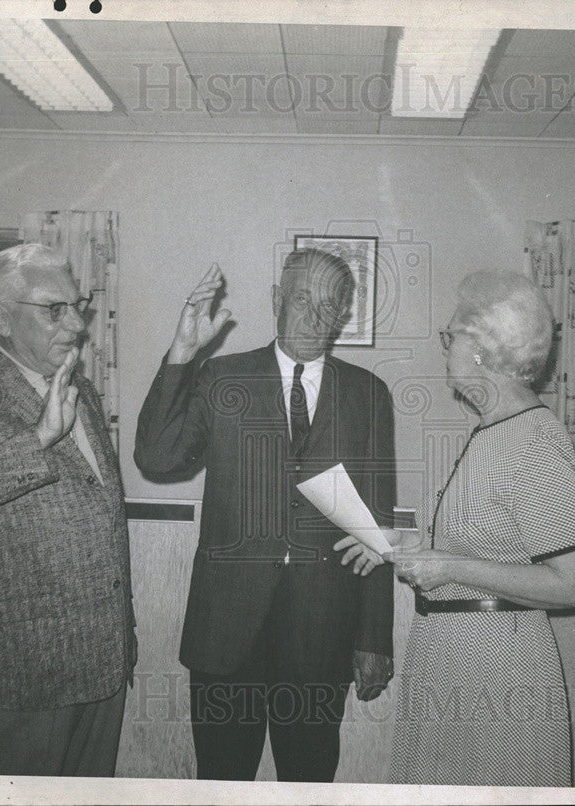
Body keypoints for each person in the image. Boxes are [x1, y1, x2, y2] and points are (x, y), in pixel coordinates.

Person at [134, 250, 396, 783]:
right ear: (277, 300)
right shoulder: (222, 377)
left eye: (330, 305)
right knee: (222, 782)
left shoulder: (368, 394)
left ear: (344, 315)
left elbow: (376, 523)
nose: (315, 316)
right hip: (225, 632)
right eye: (302, 298)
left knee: (309, 781)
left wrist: (373, 636)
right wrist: (183, 351)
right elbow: (157, 458)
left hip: (321, 632)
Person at [344, 270, 575, 786]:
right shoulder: (491, 431)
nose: (446, 347)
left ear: (481, 348)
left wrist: (450, 566)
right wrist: (399, 545)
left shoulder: (537, 442)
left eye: (451, 335)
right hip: (452, 654)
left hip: (498, 666)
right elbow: (485, 543)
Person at [0, 243, 136, 776]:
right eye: (54, 309)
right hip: (21, 679)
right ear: (2, 317)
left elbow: (99, 518)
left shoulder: (81, 389)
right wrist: (38, 438)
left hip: (103, 667)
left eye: (76, 305)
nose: (77, 323)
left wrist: (123, 630)